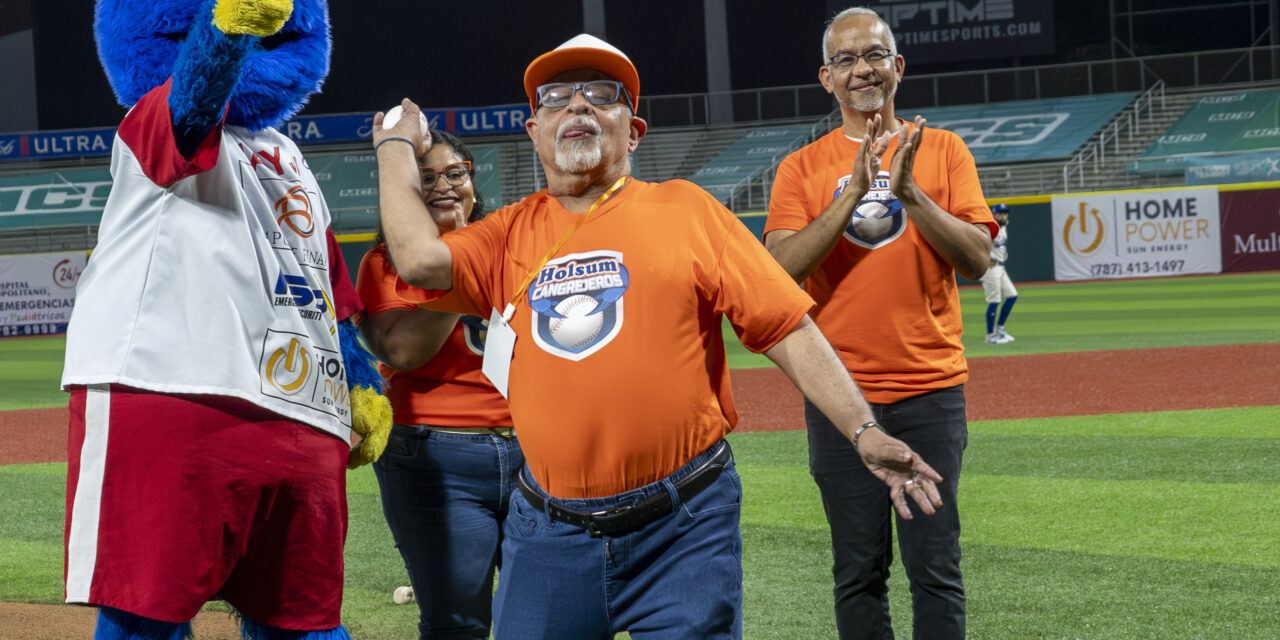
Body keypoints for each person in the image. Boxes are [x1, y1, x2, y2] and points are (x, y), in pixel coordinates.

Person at [372, 33, 946, 640]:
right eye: (556, 97)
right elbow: (415, 258)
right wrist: (393, 146)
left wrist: (864, 429)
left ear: (635, 130)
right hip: (549, 534)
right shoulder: (506, 235)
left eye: (602, 94)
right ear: (533, 131)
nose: (579, 106)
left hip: (684, 526)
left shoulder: (687, 210)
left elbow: (788, 327)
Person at [61, 1, 387, 638]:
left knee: (304, 619)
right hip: (173, 394)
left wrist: (360, 381)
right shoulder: (151, 121)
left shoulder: (290, 155)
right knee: (144, 616)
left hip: (301, 416)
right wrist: (226, 29)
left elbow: (326, 286)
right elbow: (194, 97)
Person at [763, 7, 996, 640]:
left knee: (936, 569)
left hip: (931, 392)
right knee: (858, 571)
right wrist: (853, 192)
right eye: (846, 60)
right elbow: (779, 270)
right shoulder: (800, 169)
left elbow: (977, 259)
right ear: (826, 78)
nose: (861, 70)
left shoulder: (943, 150)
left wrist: (912, 194)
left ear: (897, 67)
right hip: (842, 400)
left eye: (873, 56)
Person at [356, 129, 522, 639]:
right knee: (457, 624)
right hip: (434, 456)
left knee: (546, 615)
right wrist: (458, 259)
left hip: (535, 453)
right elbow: (402, 349)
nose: (443, 186)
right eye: (424, 178)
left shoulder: (513, 245)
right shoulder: (384, 264)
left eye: (455, 173)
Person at [982, 203, 1018, 344]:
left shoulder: (1003, 227)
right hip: (991, 269)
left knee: (1012, 296)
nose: (1003, 215)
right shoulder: (990, 228)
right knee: (994, 300)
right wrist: (986, 258)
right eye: (1000, 213)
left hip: (1001, 267)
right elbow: (978, 244)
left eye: (1005, 213)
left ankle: (1000, 329)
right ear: (994, 214)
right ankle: (990, 336)